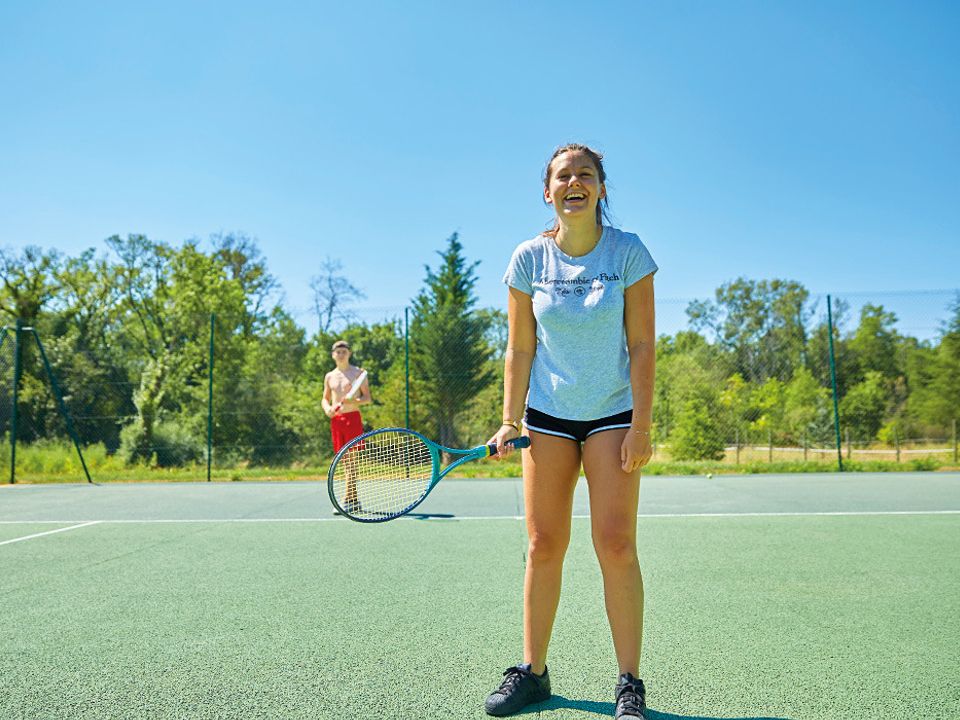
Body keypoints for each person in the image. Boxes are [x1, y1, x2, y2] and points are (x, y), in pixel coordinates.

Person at [484, 144, 657, 719]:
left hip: (611, 415)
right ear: (548, 191)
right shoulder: (528, 259)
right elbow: (519, 347)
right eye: (564, 175)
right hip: (547, 419)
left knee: (615, 543)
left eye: (586, 174)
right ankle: (532, 672)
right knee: (542, 544)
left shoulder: (628, 252)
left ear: (602, 188)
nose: (574, 182)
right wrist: (509, 420)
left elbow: (641, 345)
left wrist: (641, 425)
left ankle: (628, 681)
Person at [322, 340, 372, 512]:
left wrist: (354, 400)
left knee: (351, 462)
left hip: (353, 419)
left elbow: (367, 398)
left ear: (349, 353)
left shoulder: (358, 373)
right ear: (333, 355)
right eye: (338, 352)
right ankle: (354, 501)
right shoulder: (329, 376)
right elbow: (325, 398)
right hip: (337, 421)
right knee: (344, 462)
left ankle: (345, 500)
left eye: (344, 351)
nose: (341, 354)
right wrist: (328, 408)